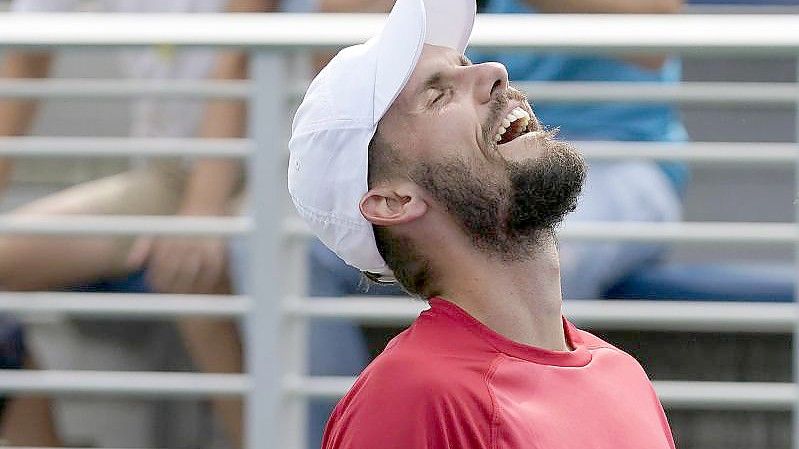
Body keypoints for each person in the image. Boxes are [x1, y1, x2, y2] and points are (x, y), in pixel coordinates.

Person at [288, 0, 675, 446]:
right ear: (393, 201)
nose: (494, 71)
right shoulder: (413, 397)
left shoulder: (621, 373)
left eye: (466, 63)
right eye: (438, 95)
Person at [0, 1, 276, 447]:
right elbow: (26, 51)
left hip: (272, 169)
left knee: (193, 271)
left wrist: (203, 211)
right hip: (168, 175)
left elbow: (240, 50)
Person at [312, 0, 686, 301]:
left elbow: (657, 29)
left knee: (541, 253)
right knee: (291, 256)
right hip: (452, 163)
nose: (494, 73)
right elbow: (336, 65)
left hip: (619, 157)